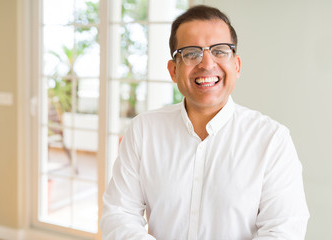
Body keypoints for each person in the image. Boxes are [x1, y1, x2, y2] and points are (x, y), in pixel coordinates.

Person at [101, 5, 310, 240]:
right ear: (173, 70)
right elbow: (119, 215)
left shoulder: (272, 139)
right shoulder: (144, 130)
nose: (207, 63)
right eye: (191, 53)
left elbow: (283, 231)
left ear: (237, 65)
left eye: (220, 51)